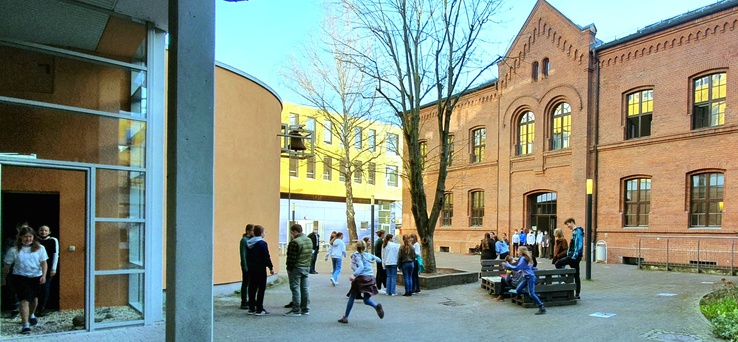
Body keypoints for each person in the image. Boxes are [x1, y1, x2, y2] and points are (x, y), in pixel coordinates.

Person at [2, 226, 48, 334]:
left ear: (34, 237)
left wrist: (44, 275)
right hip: (20, 277)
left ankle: (31, 314)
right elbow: (7, 265)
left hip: (36, 276)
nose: (28, 239)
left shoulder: (40, 248)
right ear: (20, 237)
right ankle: (25, 325)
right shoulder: (13, 250)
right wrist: (2, 277)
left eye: (30, 236)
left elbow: (44, 263)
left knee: (34, 300)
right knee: (24, 300)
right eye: (25, 237)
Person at [337, 241, 384, 324]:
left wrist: (354, 275)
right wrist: (372, 258)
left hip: (361, 278)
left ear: (356, 247)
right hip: (370, 278)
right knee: (366, 300)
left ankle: (345, 317)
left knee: (352, 296)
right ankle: (376, 306)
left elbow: (361, 266)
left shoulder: (356, 255)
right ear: (365, 247)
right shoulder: (368, 255)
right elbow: (379, 260)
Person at [504, 246, 546, 315]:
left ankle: (541, 306)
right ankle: (535, 296)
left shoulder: (523, 258)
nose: (517, 252)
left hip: (529, 277)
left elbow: (516, 267)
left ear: (521, 252)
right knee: (518, 290)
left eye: (518, 251)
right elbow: (529, 267)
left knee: (531, 293)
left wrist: (507, 264)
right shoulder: (525, 258)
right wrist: (522, 270)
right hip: (527, 277)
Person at [285, 224, 313, 316]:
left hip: (296, 267)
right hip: (306, 266)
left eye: (291, 232)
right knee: (305, 288)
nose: (291, 234)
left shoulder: (295, 242)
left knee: (295, 288)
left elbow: (291, 258)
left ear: (294, 231)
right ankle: (305, 309)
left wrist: (289, 268)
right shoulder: (309, 240)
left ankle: (296, 309)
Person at [246, 225, 274, 315]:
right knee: (261, 288)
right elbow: (266, 256)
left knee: (252, 287)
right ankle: (259, 308)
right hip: (260, 268)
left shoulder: (249, 242)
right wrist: (271, 267)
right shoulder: (262, 243)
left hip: (251, 268)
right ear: (261, 233)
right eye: (264, 232)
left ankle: (251, 308)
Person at [555, 218, 584, 299]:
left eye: (568, 225)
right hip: (573, 255)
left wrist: (574, 256)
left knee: (558, 264)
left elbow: (579, 244)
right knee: (576, 275)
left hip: (574, 256)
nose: (568, 227)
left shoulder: (578, 231)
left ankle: (568, 281)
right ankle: (577, 294)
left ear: (571, 222)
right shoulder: (575, 231)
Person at [36, 225, 59, 317]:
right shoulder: (35, 240)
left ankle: (42, 308)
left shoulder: (53, 240)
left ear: (49, 232)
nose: (43, 232)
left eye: (46, 230)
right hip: (35, 267)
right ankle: (34, 308)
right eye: (41, 230)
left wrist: (53, 268)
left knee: (45, 288)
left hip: (48, 267)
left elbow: (55, 254)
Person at [239, 224, 254, 310]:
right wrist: (245, 266)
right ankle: (244, 301)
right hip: (247, 265)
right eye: (252, 231)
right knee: (245, 283)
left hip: (251, 264)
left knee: (250, 283)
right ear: (248, 231)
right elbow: (243, 254)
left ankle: (249, 300)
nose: (253, 232)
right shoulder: (244, 240)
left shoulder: (251, 239)